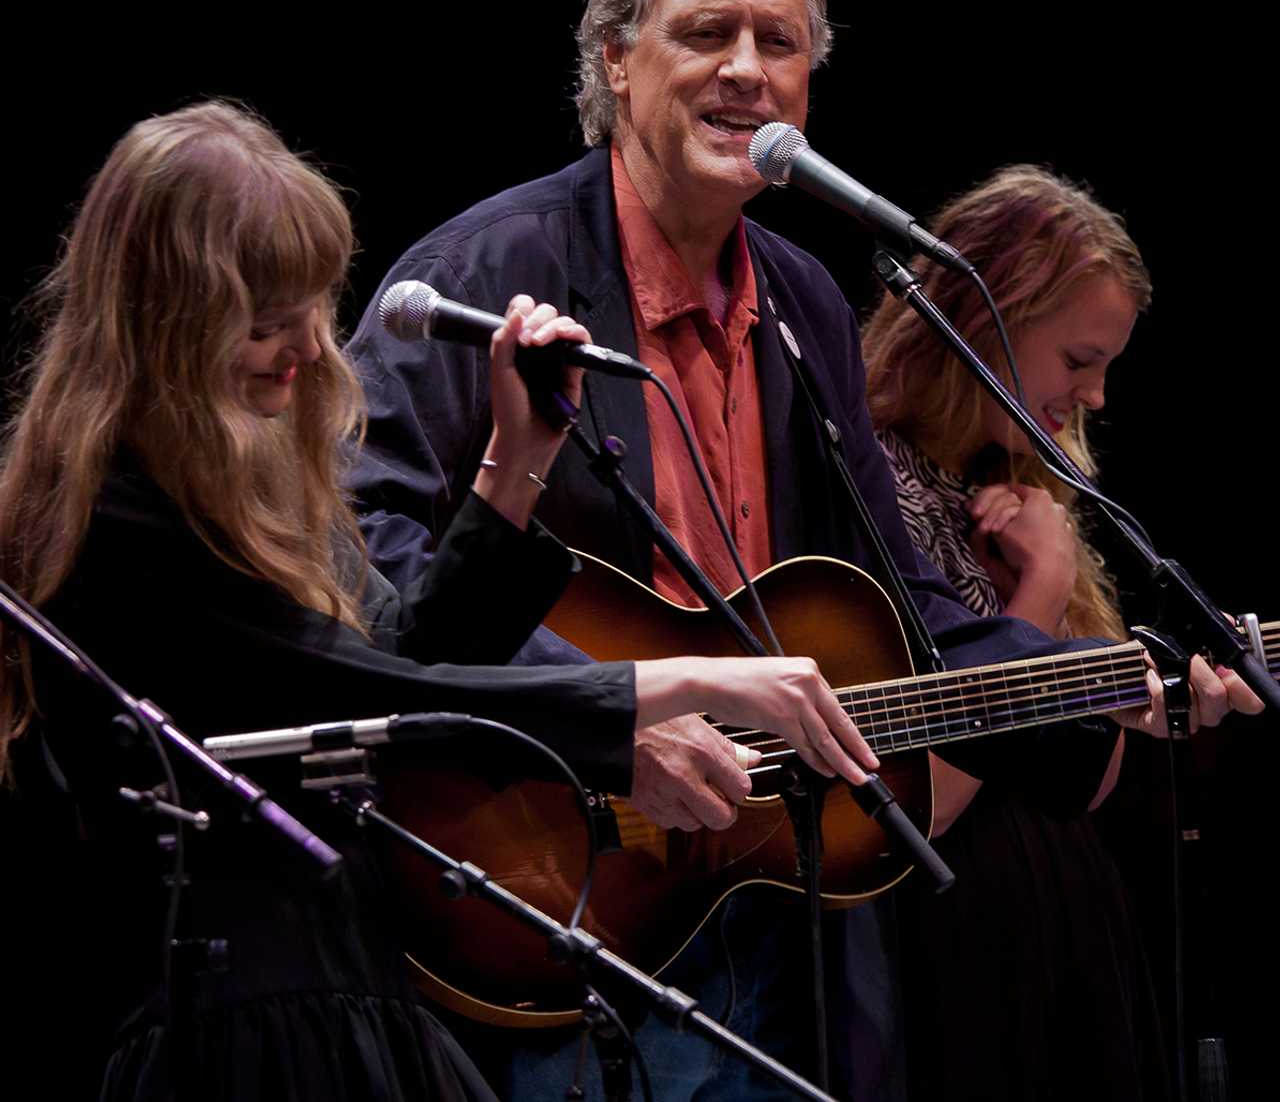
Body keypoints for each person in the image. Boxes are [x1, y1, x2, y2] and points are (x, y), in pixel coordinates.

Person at [343, 0, 1259, 1100]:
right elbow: (361, 564)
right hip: (555, 888)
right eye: (705, 33)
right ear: (614, 62)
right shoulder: (481, 275)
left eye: (777, 43)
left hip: (775, 894)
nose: (745, 71)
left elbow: (905, 595)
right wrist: (610, 710)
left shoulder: (803, 300)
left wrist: (1102, 690)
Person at [0, 101, 880, 1101]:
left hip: (343, 992)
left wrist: (517, 458)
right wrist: (662, 685)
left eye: (311, 305)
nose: (302, 345)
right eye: (262, 316)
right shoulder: (118, 515)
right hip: (232, 1032)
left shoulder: (259, 490)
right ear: (167, 317)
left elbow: (414, 642)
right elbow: (379, 688)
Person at [861, 164, 1221, 1099]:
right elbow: (923, 805)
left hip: (1067, 940)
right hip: (945, 958)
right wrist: (1044, 587)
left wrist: (1083, 624)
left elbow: (1086, 781)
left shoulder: (1020, 486)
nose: (1097, 397)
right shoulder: (865, 485)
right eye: (1078, 360)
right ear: (986, 322)